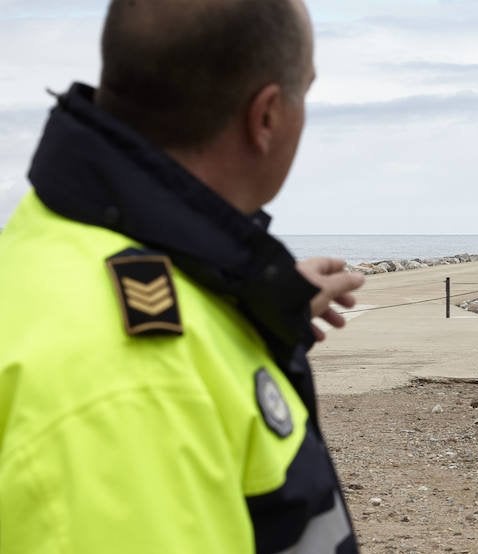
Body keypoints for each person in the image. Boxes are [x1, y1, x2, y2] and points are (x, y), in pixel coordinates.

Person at [0, 0, 363, 552]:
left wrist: (258, 305)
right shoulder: (134, 385)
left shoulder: (52, 248)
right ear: (266, 117)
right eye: (303, 92)